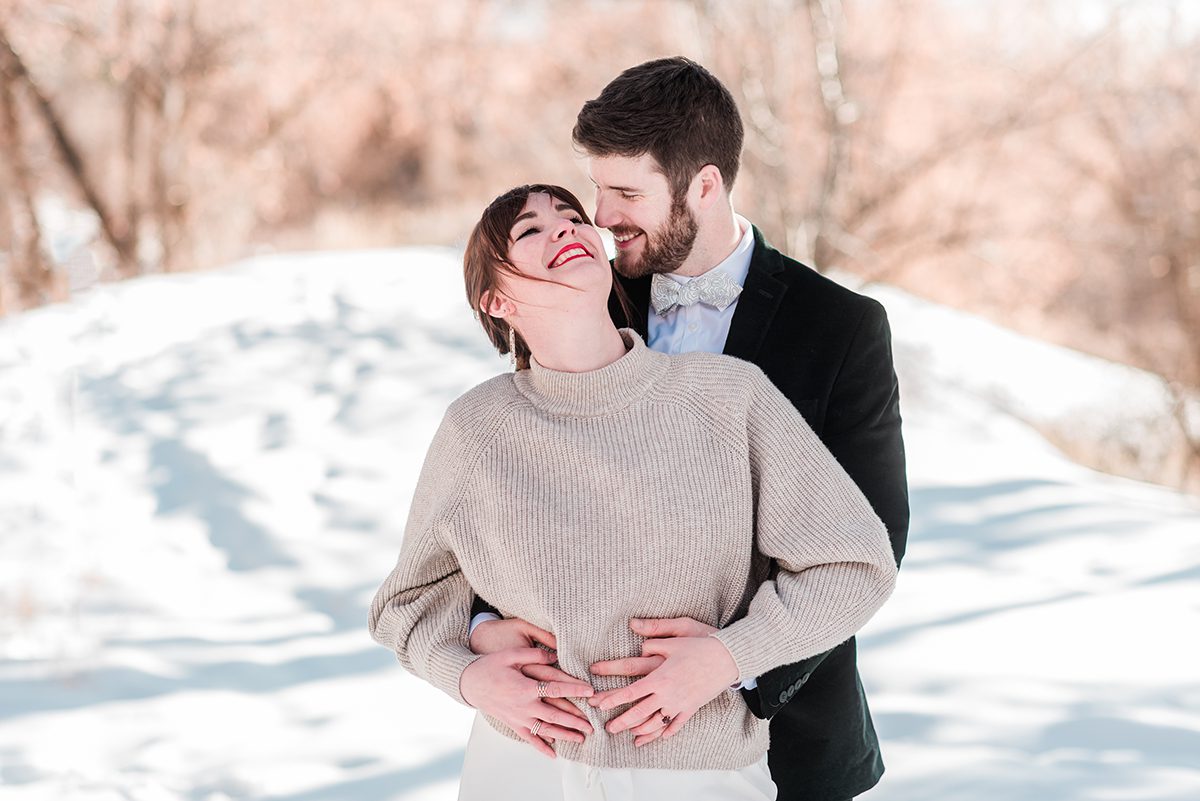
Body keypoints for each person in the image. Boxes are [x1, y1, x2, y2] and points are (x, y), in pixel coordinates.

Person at [467, 58, 910, 801]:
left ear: (704, 185)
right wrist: (484, 626)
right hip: (585, 741)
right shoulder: (580, 294)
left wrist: (732, 660)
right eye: (599, 189)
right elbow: (515, 486)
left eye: (626, 193)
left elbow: (871, 539)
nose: (601, 217)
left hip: (787, 738)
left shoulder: (842, 329)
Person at [368, 183, 898, 800]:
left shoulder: (728, 398)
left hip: (700, 774)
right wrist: (468, 678)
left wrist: (729, 658)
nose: (564, 229)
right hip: (521, 768)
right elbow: (407, 602)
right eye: (529, 231)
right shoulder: (477, 428)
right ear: (496, 300)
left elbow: (856, 563)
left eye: (570, 216)